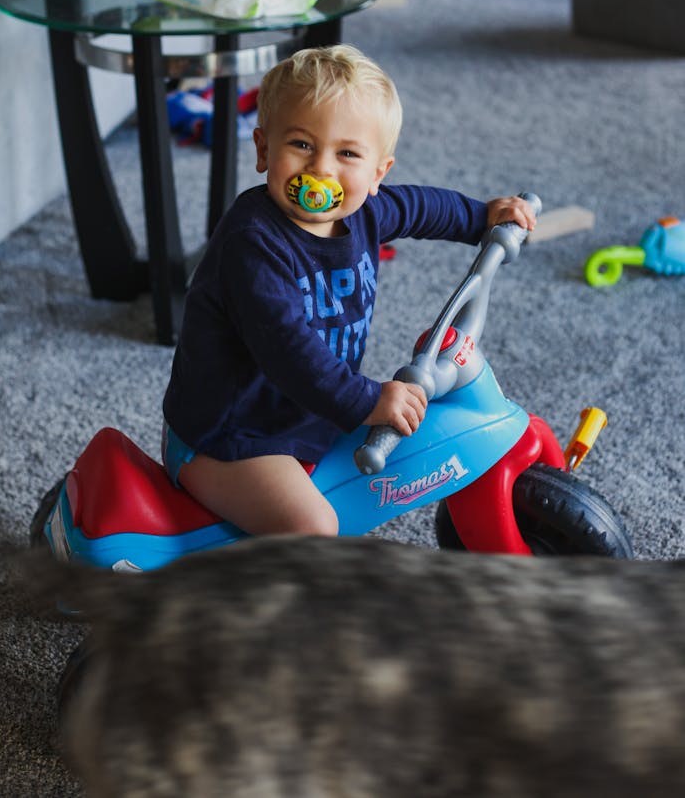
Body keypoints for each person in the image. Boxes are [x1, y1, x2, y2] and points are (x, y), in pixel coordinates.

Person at [161, 44, 535, 537]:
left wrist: (480, 217)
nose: (321, 170)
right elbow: (289, 351)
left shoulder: (363, 212)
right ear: (263, 149)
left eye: (347, 154)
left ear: (378, 172)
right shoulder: (251, 245)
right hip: (231, 435)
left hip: (297, 413)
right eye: (301, 145)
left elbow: (421, 208)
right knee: (314, 527)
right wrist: (364, 401)